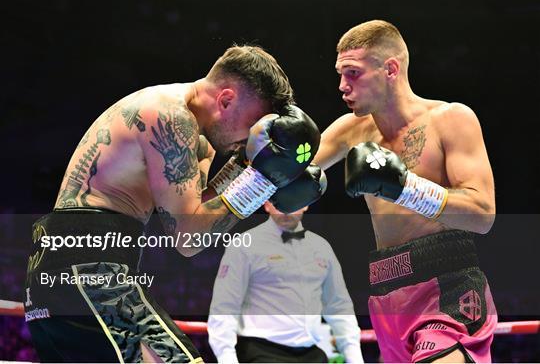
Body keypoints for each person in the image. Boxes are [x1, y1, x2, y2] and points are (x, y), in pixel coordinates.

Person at [24, 45, 324, 363]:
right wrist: (262, 180)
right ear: (226, 100)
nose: (250, 137)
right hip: (86, 268)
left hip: (70, 269)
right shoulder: (168, 115)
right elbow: (188, 234)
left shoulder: (200, 144)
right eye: (252, 126)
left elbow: (196, 221)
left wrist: (246, 163)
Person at [313, 20, 497, 362]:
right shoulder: (350, 131)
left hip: (447, 288)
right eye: (340, 74)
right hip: (387, 294)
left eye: (352, 73)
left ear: (390, 69)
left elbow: (483, 214)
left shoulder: (450, 119)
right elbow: (286, 174)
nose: (342, 86)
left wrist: (404, 188)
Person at [207, 202, 364, 363]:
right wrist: (226, 357)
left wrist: (355, 359)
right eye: (279, 202)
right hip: (261, 353)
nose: (286, 209)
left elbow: (339, 307)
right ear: (266, 204)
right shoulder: (244, 245)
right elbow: (224, 306)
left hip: (312, 353)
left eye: (294, 200)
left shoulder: (321, 247)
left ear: (306, 204)